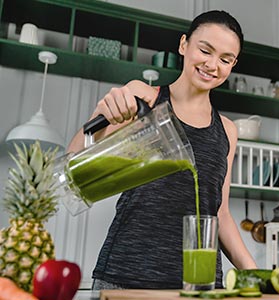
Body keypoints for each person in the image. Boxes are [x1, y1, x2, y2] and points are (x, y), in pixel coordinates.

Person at [67, 10, 257, 290]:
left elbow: (221, 214)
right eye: (205, 50)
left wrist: (257, 274)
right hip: (126, 276)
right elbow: (75, 161)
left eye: (225, 59)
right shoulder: (145, 98)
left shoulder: (227, 130)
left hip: (200, 286)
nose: (212, 64)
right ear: (184, 45)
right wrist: (101, 116)